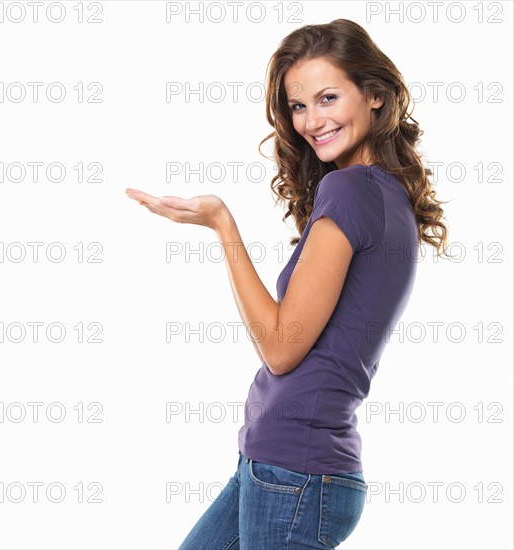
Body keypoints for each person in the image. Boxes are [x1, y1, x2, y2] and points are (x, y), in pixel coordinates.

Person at [125, 18, 449, 550]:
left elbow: (280, 347)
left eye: (327, 98)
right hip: (283, 468)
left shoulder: (350, 192)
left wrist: (222, 225)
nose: (311, 121)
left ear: (374, 95)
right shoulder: (385, 196)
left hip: (295, 476)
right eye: (298, 107)